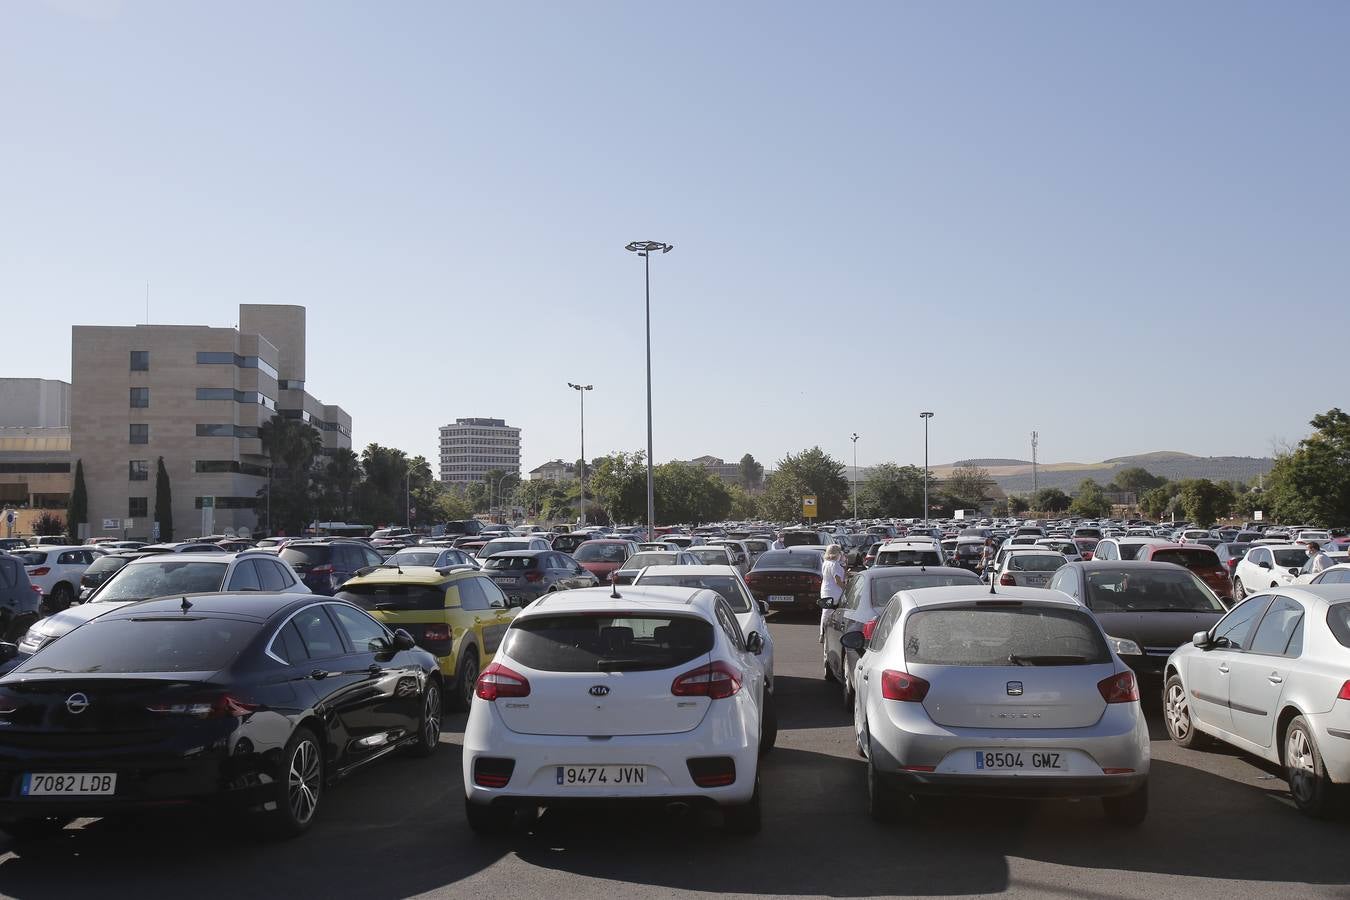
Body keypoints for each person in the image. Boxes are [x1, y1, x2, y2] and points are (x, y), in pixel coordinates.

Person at [819, 544, 846, 643]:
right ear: (837, 553)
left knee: (825, 612)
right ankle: (836, 633)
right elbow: (837, 580)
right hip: (835, 593)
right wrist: (845, 588)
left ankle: (822, 633)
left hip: (825, 591)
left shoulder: (825, 563)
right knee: (837, 612)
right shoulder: (835, 564)